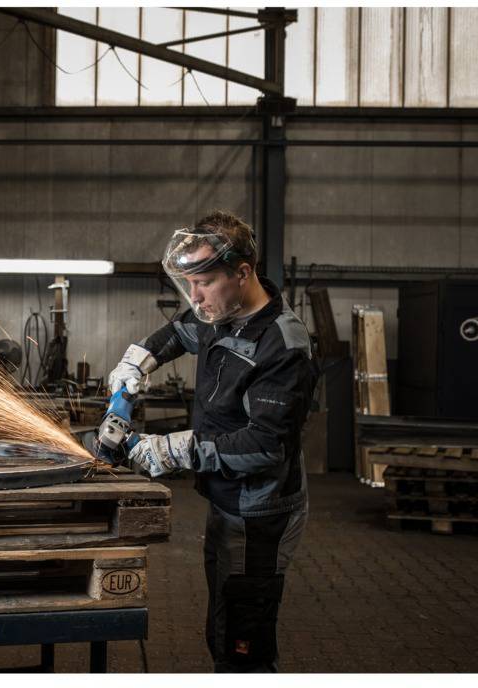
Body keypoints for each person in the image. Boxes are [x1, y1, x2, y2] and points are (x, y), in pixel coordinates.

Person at [107, 210, 319, 672]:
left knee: (243, 641)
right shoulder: (218, 311)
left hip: (258, 513)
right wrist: (134, 364)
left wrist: (171, 450)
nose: (195, 297)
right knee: (222, 623)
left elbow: (264, 446)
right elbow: (177, 333)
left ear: (243, 273)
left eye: (203, 282)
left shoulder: (283, 344)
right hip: (226, 498)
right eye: (188, 283)